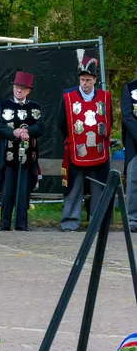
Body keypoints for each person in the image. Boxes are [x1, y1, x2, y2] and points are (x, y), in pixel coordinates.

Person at [58, 51, 112, 232]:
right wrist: (74, 140)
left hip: (98, 150)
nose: (85, 83)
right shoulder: (68, 97)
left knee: (99, 188)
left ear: (95, 80)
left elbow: (109, 121)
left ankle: (98, 222)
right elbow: (61, 122)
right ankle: (69, 222)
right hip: (76, 149)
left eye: (88, 80)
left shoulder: (105, 97)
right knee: (74, 188)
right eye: (82, 80)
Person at [0, 72, 44, 231]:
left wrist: (27, 131)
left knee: (23, 191)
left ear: (28, 90)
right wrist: (14, 132)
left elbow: (40, 127)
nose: (19, 91)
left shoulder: (35, 107)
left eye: (23, 88)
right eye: (17, 87)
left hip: (27, 156)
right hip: (8, 156)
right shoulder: (2, 105)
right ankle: (4, 223)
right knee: (7, 190)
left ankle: (21, 224)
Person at [122, 71, 137, 232]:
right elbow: (126, 115)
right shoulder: (130, 87)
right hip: (134, 143)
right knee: (134, 181)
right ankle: (133, 219)